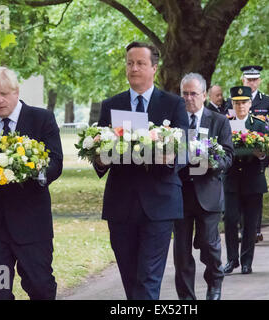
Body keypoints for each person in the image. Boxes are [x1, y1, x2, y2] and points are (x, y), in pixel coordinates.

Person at [93, 41, 189, 300]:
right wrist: (100, 158)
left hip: (159, 204)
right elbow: (99, 155)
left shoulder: (173, 104)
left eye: (140, 63)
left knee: (148, 278)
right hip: (120, 205)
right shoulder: (111, 105)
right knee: (130, 277)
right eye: (129, 63)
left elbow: (183, 151)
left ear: (154, 68)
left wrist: (167, 157)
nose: (133, 68)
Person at [0, 66, 63, 299]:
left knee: (40, 286)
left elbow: (55, 162)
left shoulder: (41, 119)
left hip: (31, 226)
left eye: (4, 94)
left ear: (16, 91)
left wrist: (34, 171)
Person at [173, 73, 234, 300]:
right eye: (185, 94)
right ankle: (186, 298)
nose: (189, 99)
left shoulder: (218, 120)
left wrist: (212, 162)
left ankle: (214, 285)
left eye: (193, 94)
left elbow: (228, 156)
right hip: (179, 194)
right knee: (181, 251)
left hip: (208, 193)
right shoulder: (174, 122)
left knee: (210, 246)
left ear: (204, 95)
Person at [223, 86, 269, 275]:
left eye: (243, 102)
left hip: (252, 179)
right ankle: (232, 259)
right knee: (230, 220)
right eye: (237, 102)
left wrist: (260, 155)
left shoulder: (259, 124)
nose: (240, 106)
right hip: (232, 179)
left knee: (250, 223)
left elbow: (266, 153)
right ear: (232, 104)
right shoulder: (225, 123)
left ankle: (247, 261)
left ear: (250, 103)